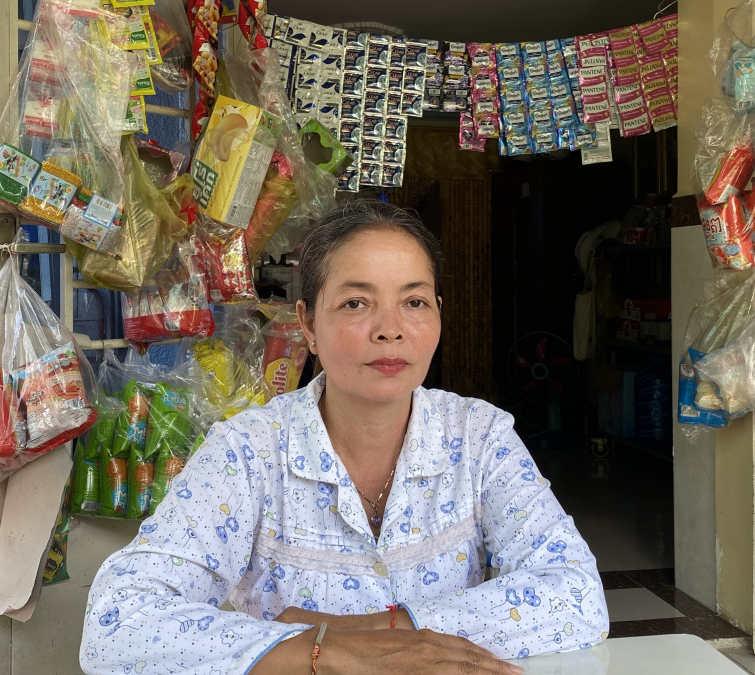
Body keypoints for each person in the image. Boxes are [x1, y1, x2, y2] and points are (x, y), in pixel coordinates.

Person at [80, 201, 608, 674]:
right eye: (356, 303)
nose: (390, 328)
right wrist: (326, 653)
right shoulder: (248, 452)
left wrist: (377, 628)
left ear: (439, 316)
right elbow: (117, 623)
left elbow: (578, 595)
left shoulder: (479, 437)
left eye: (415, 302)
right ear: (308, 324)